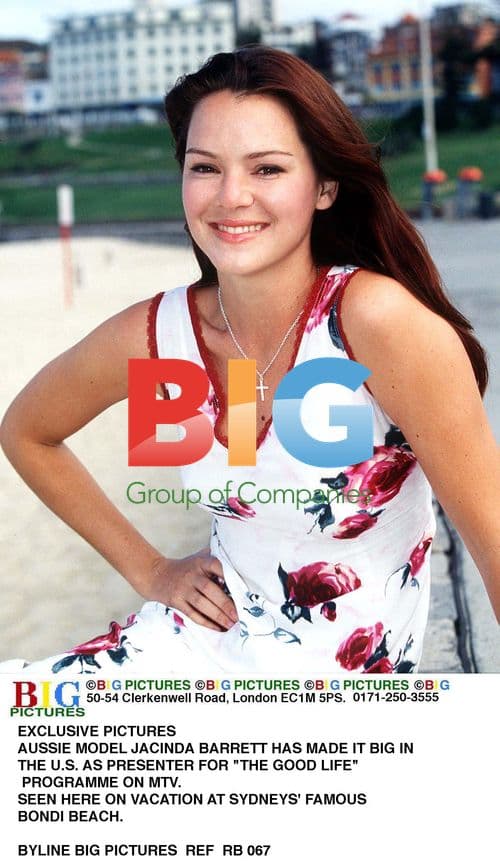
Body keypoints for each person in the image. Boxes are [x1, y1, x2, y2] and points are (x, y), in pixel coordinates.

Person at [1, 47, 498, 675]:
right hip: (189, 652)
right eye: (205, 167)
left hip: (338, 709)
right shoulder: (162, 334)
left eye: (266, 169)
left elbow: (494, 535)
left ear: (323, 186)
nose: (231, 197)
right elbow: (27, 433)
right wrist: (152, 568)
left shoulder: (372, 321)